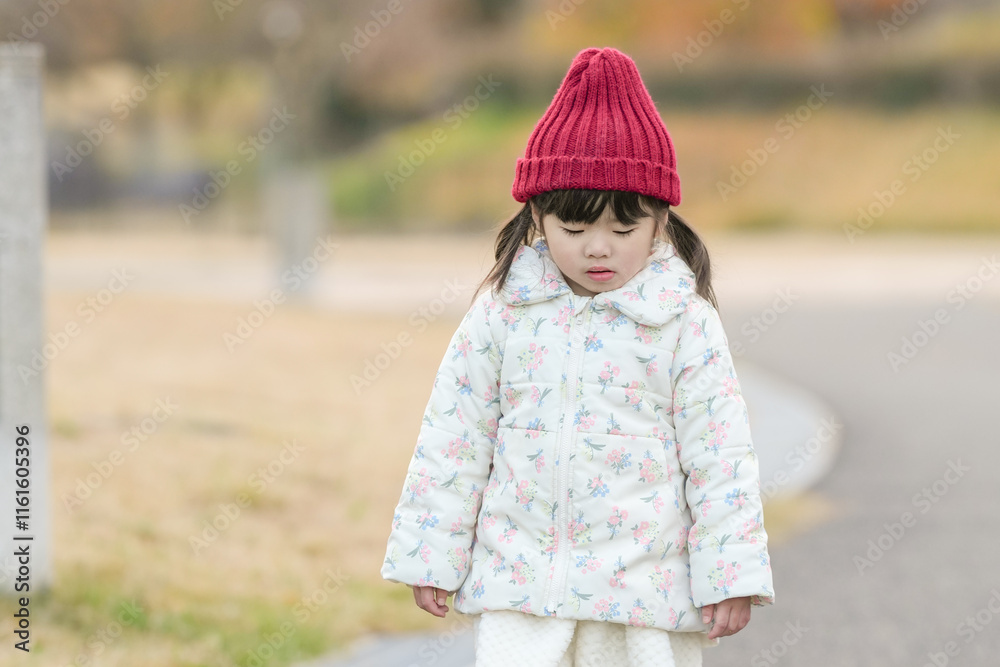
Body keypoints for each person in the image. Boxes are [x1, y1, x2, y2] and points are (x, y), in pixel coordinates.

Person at [381, 46, 774, 667]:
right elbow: (455, 435)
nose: (598, 249)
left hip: (641, 595)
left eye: (623, 230)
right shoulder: (503, 313)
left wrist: (732, 572)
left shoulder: (683, 323)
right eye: (572, 228)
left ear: (661, 220)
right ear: (536, 214)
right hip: (523, 589)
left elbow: (720, 456)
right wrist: (431, 552)